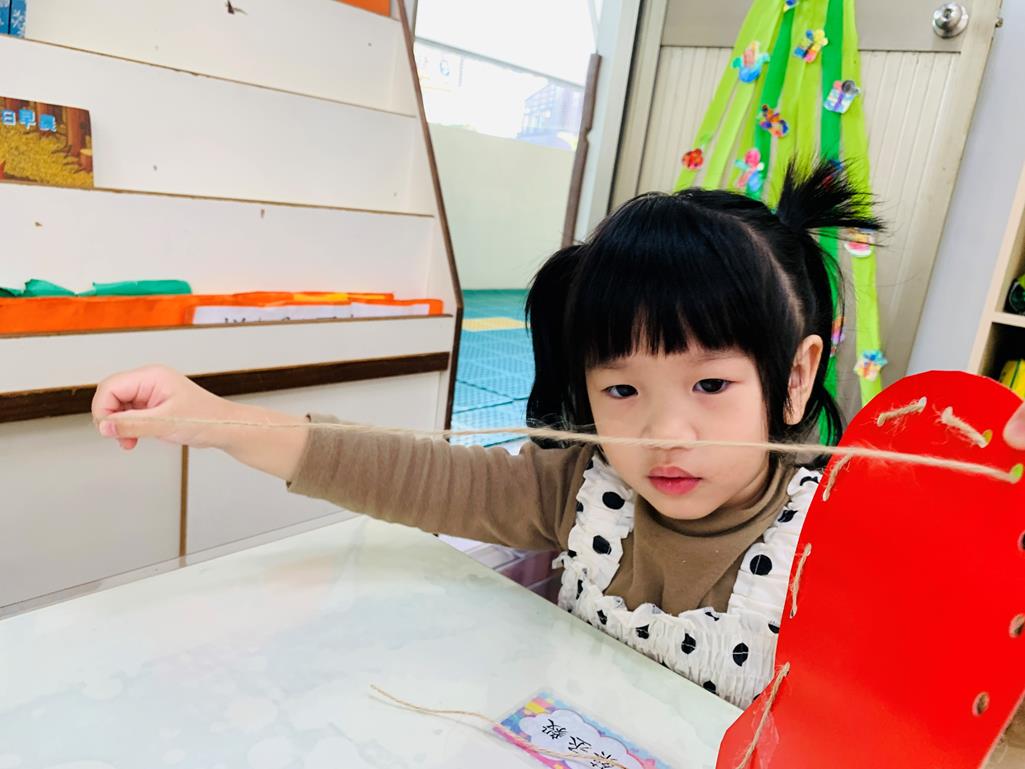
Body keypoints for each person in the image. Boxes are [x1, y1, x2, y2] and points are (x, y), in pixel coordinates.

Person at [92, 162, 881, 709]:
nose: (663, 434)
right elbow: (410, 475)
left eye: (709, 385)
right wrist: (216, 419)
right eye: (621, 390)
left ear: (794, 376)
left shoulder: (837, 541)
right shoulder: (582, 490)